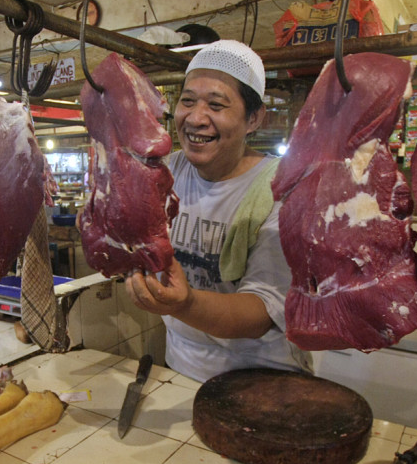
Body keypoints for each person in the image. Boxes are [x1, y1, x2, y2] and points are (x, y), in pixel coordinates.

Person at [125, 39, 311, 382]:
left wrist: (185, 304)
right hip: (180, 367)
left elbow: (261, 313)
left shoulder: (281, 189)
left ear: (253, 118)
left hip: (261, 378)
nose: (196, 118)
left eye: (216, 104)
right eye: (187, 101)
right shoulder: (164, 171)